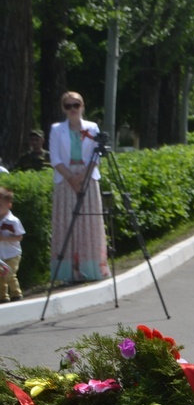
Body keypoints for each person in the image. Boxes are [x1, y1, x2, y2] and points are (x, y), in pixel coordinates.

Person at [48, 91, 110, 283]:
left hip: (87, 178)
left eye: (76, 105)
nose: (72, 109)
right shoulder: (56, 129)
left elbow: (96, 156)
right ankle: (69, 271)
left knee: (89, 223)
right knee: (67, 223)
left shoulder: (92, 128)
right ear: (63, 108)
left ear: (82, 107)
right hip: (65, 180)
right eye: (68, 105)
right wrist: (71, 178)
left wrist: (82, 178)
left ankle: (90, 268)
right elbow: (55, 158)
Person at [0, 187, 24, 302]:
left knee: (9, 274)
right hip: (1, 255)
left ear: (9, 205)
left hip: (12, 254)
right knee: (0, 276)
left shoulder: (13, 221)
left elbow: (20, 237)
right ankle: (3, 296)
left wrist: (4, 238)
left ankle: (16, 293)